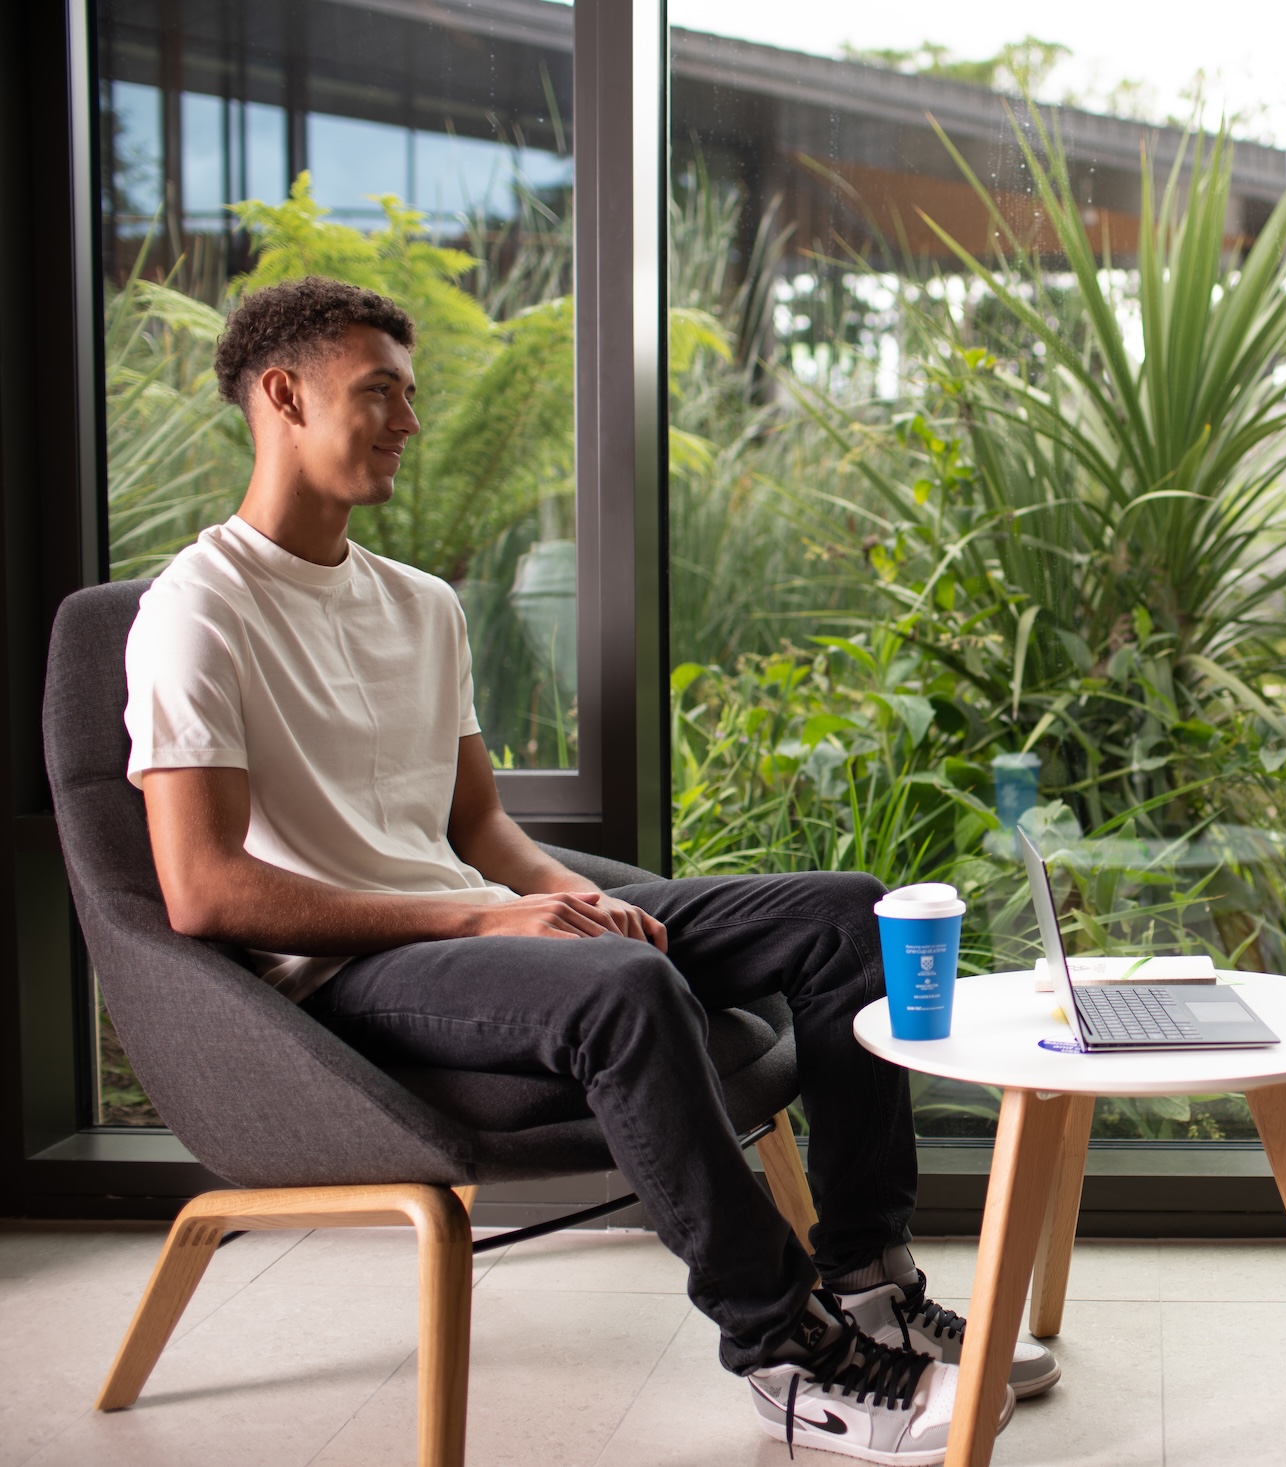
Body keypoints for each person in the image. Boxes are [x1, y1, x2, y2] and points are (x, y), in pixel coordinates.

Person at [123, 276, 1057, 1466]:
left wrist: (549, 895)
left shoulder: (420, 605)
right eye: (380, 396)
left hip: (465, 915)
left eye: (412, 396)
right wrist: (481, 926)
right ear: (282, 394)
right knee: (622, 990)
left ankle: (867, 1283)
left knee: (844, 918)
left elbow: (479, 824)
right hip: (342, 971)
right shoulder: (195, 614)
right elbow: (203, 891)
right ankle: (784, 1353)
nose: (409, 423)